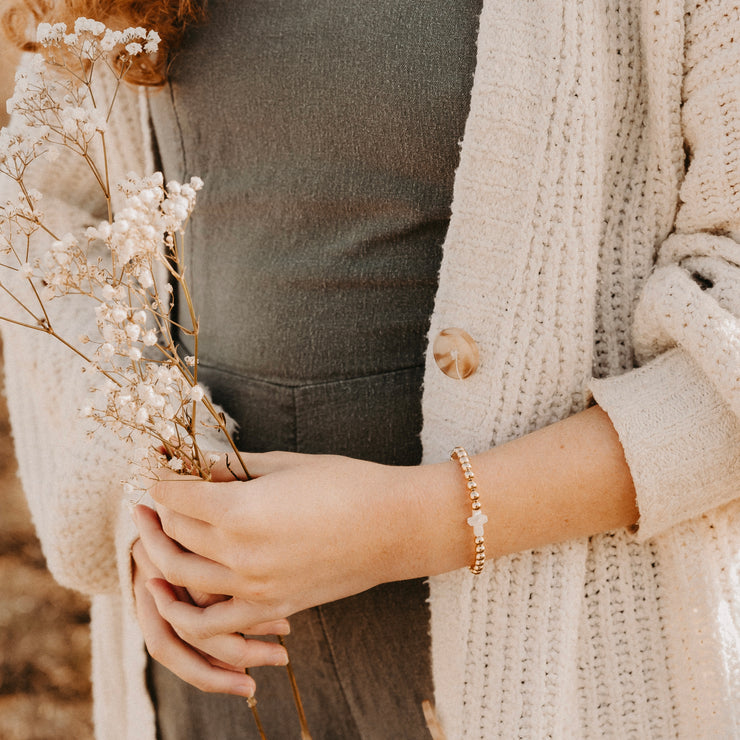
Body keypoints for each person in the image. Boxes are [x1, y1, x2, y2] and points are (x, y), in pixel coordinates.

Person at [1, 0, 739, 738]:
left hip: (561, 676)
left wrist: (410, 526)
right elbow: (37, 199)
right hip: (218, 673)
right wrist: (143, 476)